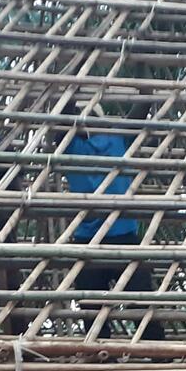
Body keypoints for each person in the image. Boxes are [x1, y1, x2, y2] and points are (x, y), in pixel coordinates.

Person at [64, 127, 162, 342]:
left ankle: (156, 348)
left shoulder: (117, 136)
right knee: (92, 303)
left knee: (139, 297)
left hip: (119, 234)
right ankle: (100, 352)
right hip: (92, 237)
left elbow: (139, 114)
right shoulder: (72, 143)